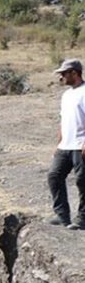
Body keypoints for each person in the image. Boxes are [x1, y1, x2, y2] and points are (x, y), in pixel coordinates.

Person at [48, 59, 85, 228]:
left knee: (82, 181)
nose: (61, 77)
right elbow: (64, 120)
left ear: (74, 73)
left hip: (80, 145)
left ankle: (82, 219)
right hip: (65, 145)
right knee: (54, 176)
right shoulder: (67, 95)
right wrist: (59, 142)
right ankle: (62, 215)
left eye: (64, 73)